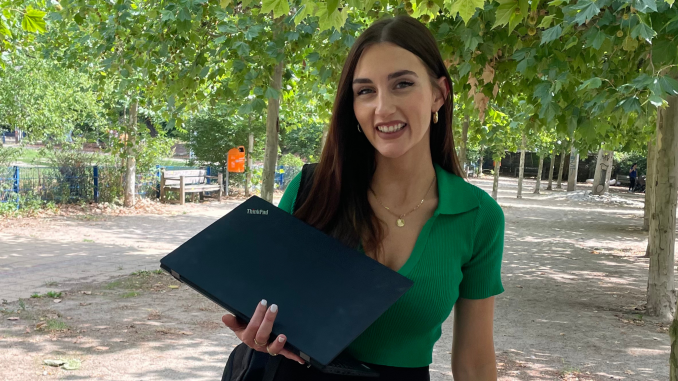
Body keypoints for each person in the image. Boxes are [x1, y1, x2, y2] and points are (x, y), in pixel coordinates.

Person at [222, 15, 504, 380]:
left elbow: (475, 361)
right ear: (352, 106)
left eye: (402, 84)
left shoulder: (478, 216)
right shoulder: (312, 191)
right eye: (365, 91)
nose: (383, 108)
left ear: (439, 94)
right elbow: (267, 302)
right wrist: (257, 330)